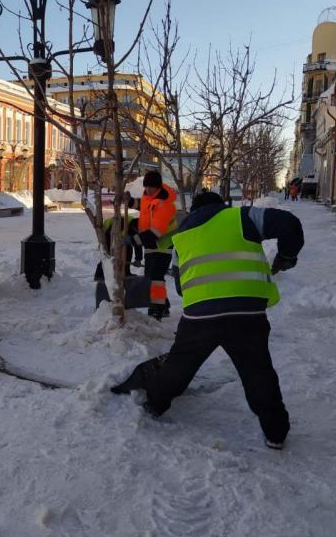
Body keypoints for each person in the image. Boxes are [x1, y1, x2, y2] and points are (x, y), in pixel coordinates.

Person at [111, 191, 304, 450]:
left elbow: (180, 286)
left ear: (193, 212)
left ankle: (154, 405)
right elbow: (290, 224)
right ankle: (275, 433)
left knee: (180, 366)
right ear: (221, 206)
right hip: (246, 312)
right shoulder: (243, 216)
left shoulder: (181, 238)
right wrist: (287, 256)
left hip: (200, 316)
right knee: (257, 370)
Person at [136, 170, 178, 320]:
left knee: (156, 278)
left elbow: (156, 231)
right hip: (150, 245)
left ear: (158, 187)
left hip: (163, 245)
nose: (147, 190)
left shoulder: (165, 204)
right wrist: (129, 202)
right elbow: (144, 209)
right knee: (150, 277)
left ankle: (157, 309)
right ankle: (163, 305)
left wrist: (134, 240)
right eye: (146, 187)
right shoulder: (148, 198)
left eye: (151, 187)